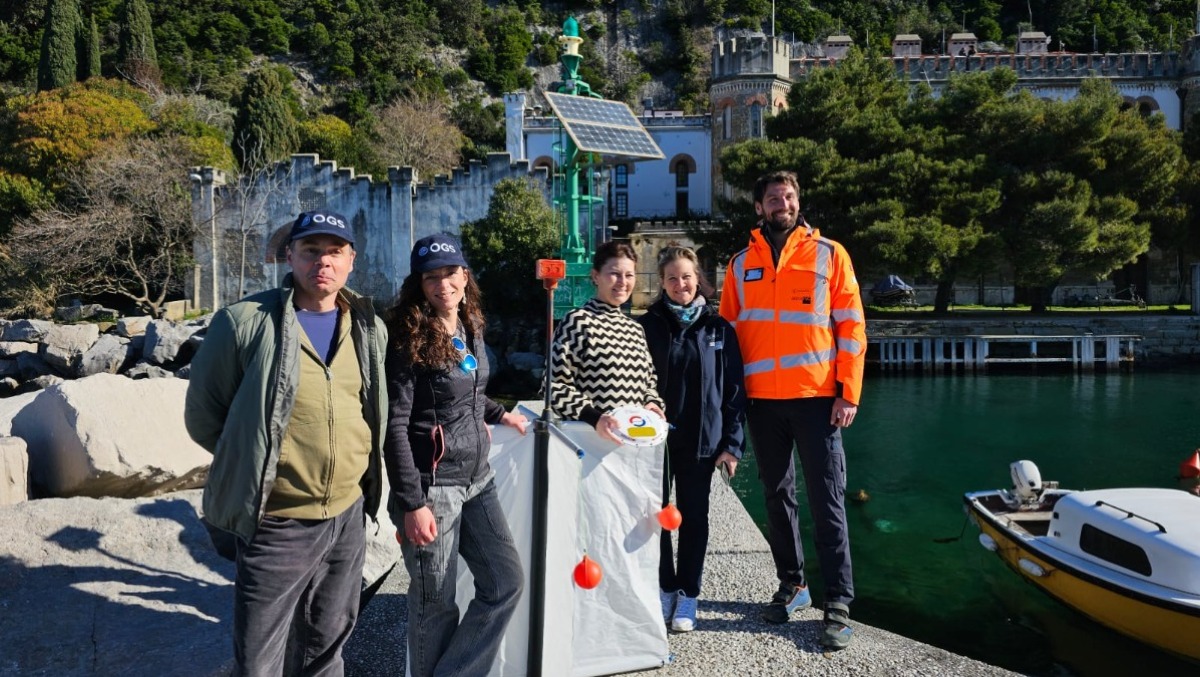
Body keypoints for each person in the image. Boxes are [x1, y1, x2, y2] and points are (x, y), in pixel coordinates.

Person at [185, 209, 388, 675]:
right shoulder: (243, 322)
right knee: (260, 660)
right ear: (290, 256)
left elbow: (373, 408)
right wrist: (259, 463)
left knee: (327, 648)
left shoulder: (368, 326)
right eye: (311, 250)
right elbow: (204, 418)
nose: (323, 261)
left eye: (334, 251)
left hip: (347, 516)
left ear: (351, 260)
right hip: (277, 522)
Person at [718, 170, 867, 650]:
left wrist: (848, 391)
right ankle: (793, 585)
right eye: (772, 198)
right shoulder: (740, 264)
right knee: (777, 497)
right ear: (759, 207)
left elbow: (851, 326)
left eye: (788, 196)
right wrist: (728, 404)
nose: (782, 203)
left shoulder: (830, 255)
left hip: (818, 399)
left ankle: (838, 601)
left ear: (797, 202)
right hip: (762, 402)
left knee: (828, 500)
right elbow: (727, 335)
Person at [384, 233, 528, 677]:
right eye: (431, 277)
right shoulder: (409, 337)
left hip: (478, 478)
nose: (442, 284)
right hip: (434, 487)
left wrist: (500, 414)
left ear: (465, 276)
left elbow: (470, 390)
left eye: (450, 273)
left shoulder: (469, 324)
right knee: (435, 605)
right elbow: (395, 425)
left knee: (505, 583)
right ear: (419, 284)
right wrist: (412, 503)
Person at [637, 246, 746, 633]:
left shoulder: (718, 329)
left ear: (697, 278)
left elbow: (734, 391)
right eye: (672, 278)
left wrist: (732, 445)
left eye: (686, 277)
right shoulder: (648, 326)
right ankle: (665, 586)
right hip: (656, 443)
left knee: (694, 518)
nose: (680, 284)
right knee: (657, 517)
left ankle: (689, 594)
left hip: (702, 441)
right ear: (662, 282)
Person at [549, 240, 665, 440]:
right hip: (589, 443)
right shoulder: (578, 321)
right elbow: (554, 387)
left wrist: (652, 403)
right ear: (596, 276)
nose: (623, 282)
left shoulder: (635, 329)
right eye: (615, 274)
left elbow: (649, 383)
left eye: (629, 275)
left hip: (634, 442)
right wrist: (594, 418)